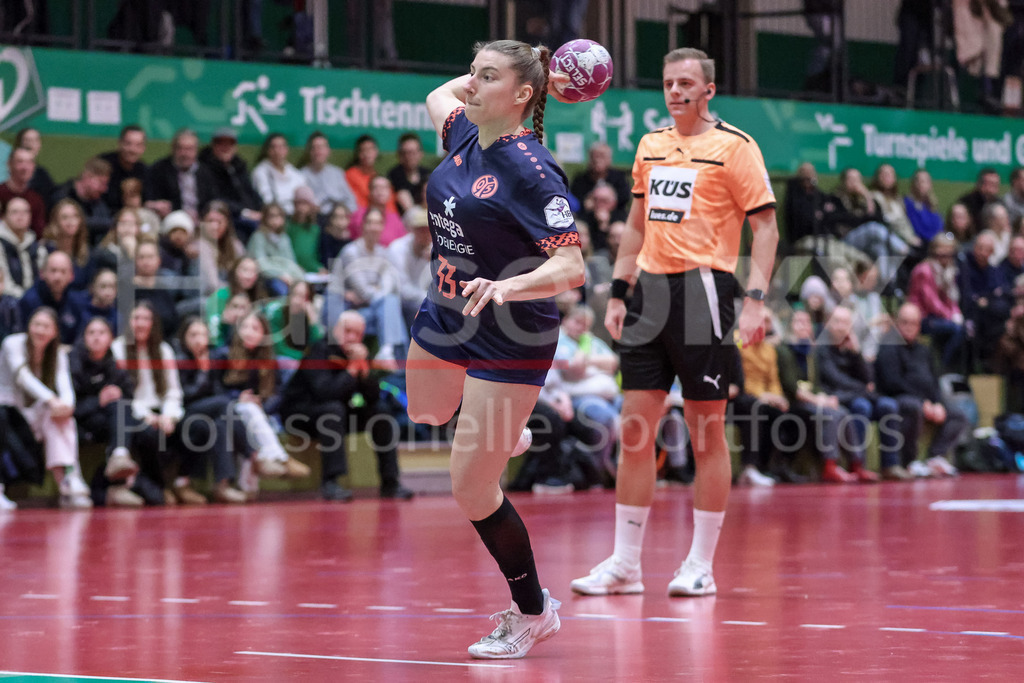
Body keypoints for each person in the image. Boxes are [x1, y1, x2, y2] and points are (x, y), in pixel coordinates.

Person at [570, 47, 778, 601]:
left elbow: (766, 229)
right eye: (668, 83)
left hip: (705, 290)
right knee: (635, 430)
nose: (675, 91)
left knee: (706, 431)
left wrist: (755, 300)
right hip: (649, 294)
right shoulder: (650, 145)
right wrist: (619, 292)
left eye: (686, 82)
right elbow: (636, 226)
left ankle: (700, 565)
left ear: (709, 90)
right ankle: (625, 565)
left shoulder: (735, 146)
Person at [405, 39, 583, 658]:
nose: (472, 85)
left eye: (488, 78)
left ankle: (532, 611)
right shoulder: (463, 131)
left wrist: (509, 285)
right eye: (474, 74)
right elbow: (439, 93)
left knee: (470, 488)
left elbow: (571, 266)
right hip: (447, 309)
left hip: (511, 330)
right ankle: (507, 429)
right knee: (425, 410)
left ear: (521, 96)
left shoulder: (533, 171)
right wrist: (517, 67)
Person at [280, 310, 413, 502]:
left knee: (381, 412)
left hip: (337, 414)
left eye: (357, 333)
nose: (351, 337)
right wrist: (352, 370)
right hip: (300, 415)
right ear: (336, 330)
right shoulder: (319, 351)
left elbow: (373, 398)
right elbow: (324, 393)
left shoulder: (358, 355)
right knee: (333, 410)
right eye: (347, 331)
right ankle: (330, 482)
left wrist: (364, 372)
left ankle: (390, 482)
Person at [0, 307, 92, 508]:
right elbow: (23, 377)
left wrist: (66, 406)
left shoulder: (58, 354)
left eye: (46, 326)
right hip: (7, 409)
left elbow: (65, 386)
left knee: (61, 417)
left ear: (55, 332)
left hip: (31, 414)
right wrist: (52, 400)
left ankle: (68, 481)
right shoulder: (12, 343)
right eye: (36, 324)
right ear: (28, 326)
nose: (40, 330)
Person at [875, 303, 969, 478]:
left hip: (926, 401)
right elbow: (892, 382)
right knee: (913, 407)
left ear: (919, 325)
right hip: (899, 398)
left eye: (913, 323)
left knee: (959, 416)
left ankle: (935, 457)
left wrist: (938, 403)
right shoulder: (888, 347)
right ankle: (909, 461)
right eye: (904, 322)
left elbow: (934, 381)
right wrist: (923, 402)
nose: (909, 327)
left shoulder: (924, 350)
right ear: (896, 323)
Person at [815, 305, 891, 482]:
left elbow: (869, 379)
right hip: (835, 397)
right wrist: (861, 389)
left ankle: (891, 465)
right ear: (827, 324)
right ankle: (857, 465)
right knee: (862, 406)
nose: (842, 327)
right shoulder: (821, 348)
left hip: (853, 396)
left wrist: (857, 353)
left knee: (888, 405)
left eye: (846, 323)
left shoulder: (850, 349)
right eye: (837, 322)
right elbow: (835, 379)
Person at [335, 206, 408, 365]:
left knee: (391, 303)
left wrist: (377, 291)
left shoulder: (384, 253)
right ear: (363, 226)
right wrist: (377, 290)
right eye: (370, 222)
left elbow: (392, 284)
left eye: (378, 223)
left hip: (374, 308)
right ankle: (399, 357)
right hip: (352, 311)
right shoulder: (351, 252)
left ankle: (389, 353)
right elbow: (363, 291)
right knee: (390, 304)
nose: (374, 227)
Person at [908, 233, 967, 371]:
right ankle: (941, 367)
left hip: (938, 317)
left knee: (965, 329)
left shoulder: (949, 271)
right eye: (941, 254)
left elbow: (951, 300)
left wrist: (957, 314)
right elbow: (931, 301)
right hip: (923, 317)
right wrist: (950, 316)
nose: (945, 257)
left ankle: (952, 368)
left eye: (949, 254)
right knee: (957, 330)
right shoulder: (924, 270)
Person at [198, 127, 263, 235]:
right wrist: (245, 212)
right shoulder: (204, 168)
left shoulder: (239, 166)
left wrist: (263, 209)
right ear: (213, 145)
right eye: (221, 144)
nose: (225, 148)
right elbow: (214, 198)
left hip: (249, 215)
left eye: (229, 144)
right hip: (228, 217)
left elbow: (250, 191)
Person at [144, 128, 214, 222]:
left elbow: (212, 200)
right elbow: (150, 199)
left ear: (196, 150)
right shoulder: (159, 170)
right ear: (173, 149)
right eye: (180, 148)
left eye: (189, 149)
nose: (184, 153)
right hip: (169, 219)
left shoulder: (206, 172)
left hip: (201, 220)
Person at [19, 250, 85, 345]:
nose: (57, 277)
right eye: (53, 270)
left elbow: (79, 338)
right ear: (42, 273)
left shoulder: (76, 302)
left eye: (63, 272)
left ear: (72, 276)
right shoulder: (29, 300)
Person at [386, 205, 433, 328]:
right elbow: (401, 288)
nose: (425, 234)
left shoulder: (436, 250)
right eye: (421, 230)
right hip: (399, 300)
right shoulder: (397, 248)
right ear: (412, 230)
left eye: (428, 230)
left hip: (424, 300)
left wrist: (435, 262)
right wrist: (429, 299)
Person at [246, 202, 305, 297]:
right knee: (280, 289)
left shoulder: (284, 238)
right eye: (272, 216)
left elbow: (290, 261)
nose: (275, 220)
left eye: (279, 216)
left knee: (303, 286)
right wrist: (280, 275)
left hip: (287, 276)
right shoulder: (258, 237)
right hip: (267, 278)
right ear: (265, 218)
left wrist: (298, 277)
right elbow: (261, 264)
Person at [300, 131, 358, 216]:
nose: (318, 151)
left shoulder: (337, 173)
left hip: (336, 218)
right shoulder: (301, 175)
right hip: (313, 218)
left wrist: (342, 211)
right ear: (309, 151)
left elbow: (352, 202)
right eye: (314, 148)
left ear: (328, 151)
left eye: (321, 147)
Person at [570, 141, 632, 221]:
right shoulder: (580, 179)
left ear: (609, 159)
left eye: (602, 156)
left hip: (614, 216)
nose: (597, 160)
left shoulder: (619, 178)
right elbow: (574, 202)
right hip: (586, 217)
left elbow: (624, 199)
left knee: (618, 228)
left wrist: (606, 204)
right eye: (595, 156)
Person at [0, 196, 45, 299]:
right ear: (4, 216)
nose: (20, 216)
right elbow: (4, 284)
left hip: (34, 300)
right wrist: (26, 298)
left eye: (25, 212)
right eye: (15, 212)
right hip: (7, 300)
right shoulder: (1, 244)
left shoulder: (38, 247)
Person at [251, 133, 306, 215]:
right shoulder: (260, 172)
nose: (277, 151)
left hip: (296, 215)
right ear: (268, 150)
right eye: (274, 147)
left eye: (281, 147)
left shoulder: (295, 173)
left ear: (287, 150)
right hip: (274, 215)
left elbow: (304, 194)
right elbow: (267, 199)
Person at [42, 198, 91, 289]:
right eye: (65, 217)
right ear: (56, 222)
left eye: (75, 216)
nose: (70, 222)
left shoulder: (86, 252)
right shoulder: (45, 249)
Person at [0, 147, 47, 237]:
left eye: (29, 162)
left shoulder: (36, 199)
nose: (25, 167)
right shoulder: (1, 193)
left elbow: (39, 233)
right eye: (20, 162)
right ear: (9, 164)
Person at [99, 125, 148, 213]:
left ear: (143, 148)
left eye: (138, 145)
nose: (132, 150)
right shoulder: (103, 164)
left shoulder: (145, 171)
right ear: (120, 143)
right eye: (128, 144)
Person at [349, 175, 406, 246]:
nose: (380, 190)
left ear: (391, 193)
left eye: (384, 187)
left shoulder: (395, 219)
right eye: (376, 187)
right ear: (369, 192)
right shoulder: (358, 216)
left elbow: (402, 244)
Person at [387, 132, 431, 213]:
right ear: (399, 155)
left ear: (421, 154)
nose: (409, 157)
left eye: (413, 152)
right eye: (405, 153)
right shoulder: (393, 175)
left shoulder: (428, 174)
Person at [904, 168, 944, 244]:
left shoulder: (933, 206)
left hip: (937, 243)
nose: (922, 185)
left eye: (926, 181)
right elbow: (917, 229)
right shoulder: (908, 203)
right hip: (921, 245)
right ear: (913, 184)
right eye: (919, 181)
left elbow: (940, 227)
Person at [344, 134, 385, 209]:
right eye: (363, 150)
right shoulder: (350, 175)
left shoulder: (378, 177)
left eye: (370, 149)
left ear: (376, 152)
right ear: (358, 154)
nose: (367, 153)